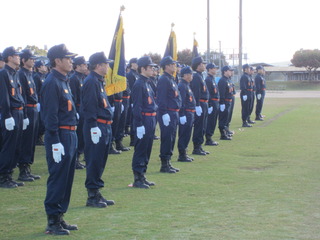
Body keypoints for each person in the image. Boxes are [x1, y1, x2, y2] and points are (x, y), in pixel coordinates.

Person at [41, 44, 78, 235]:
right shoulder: (52, 82)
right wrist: (54, 140)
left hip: (70, 133)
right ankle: (52, 220)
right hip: (60, 136)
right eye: (68, 58)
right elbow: (50, 115)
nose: (71, 61)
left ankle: (60, 215)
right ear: (57, 60)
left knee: (67, 177)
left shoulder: (64, 80)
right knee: (58, 177)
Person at [81, 52, 115, 208]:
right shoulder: (91, 82)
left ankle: (97, 191)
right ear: (99, 65)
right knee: (94, 160)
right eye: (106, 64)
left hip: (104, 125)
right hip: (97, 126)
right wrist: (93, 127)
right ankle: (92, 195)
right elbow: (89, 106)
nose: (108, 66)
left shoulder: (98, 81)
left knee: (101, 160)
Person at [0, 47, 25, 188]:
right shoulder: (3, 73)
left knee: (16, 145)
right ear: (9, 57)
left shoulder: (15, 73)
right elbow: (4, 97)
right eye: (16, 55)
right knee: (9, 145)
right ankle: (3, 176)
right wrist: (7, 115)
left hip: (19, 111)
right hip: (11, 113)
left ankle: (9, 174)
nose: (19, 58)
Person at [131, 56, 158, 188]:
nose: (152, 69)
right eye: (150, 67)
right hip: (144, 119)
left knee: (147, 148)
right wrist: (139, 124)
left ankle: (143, 175)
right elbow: (136, 106)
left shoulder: (147, 82)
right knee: (141, 148)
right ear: (143, 69)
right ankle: (138, 178)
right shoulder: (139, 84)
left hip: (151, 118)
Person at [17, 49, 41, 182]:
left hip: (34, 109)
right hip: (27, 110)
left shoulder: (30, 74)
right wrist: (25, 114)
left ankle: (27, 166)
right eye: (30, 58)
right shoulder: (21, 74)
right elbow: (24, 96)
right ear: (23, 60)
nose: (33, 60)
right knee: (26, 140)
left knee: (32, 139)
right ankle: (23, 169)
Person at [157, 56, 181, 173]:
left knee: (172, 138)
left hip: (174, 112)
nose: (174, 66)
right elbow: (161, 98)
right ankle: (164, 164)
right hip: (168, 113)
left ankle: (168, 161)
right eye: (172, 64)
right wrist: (164, 113)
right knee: (167, 138)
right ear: (166, 66)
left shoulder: (171, 79)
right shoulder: (163, 80)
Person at [69, 56, 88, 170]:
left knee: (82, 135)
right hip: (78, 109)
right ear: (78, 66)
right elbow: (74, 97)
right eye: (83, 65)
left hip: (84, 109)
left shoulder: (83, 77)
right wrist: (75, 111)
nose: (86, 66)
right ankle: (75, 158)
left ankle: (79, 156)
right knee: (79, 135)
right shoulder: (74, 78)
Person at [190, 56, 210, 155]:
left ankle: (200, 146)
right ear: (198, 65)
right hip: (200, 104)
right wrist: (197, 105)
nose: (204, 65)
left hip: (204, 103)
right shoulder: (196, 77)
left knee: (203, 126)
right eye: (203, 64)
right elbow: (196, 92)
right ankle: (196, 147)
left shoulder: (200, 75)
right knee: (199, 126)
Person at [177, 66, 196, 162]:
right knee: (184, 133)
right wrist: (182, 114)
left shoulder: (187, 84)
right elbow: (182, 102)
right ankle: (182, 154)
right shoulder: (182, 86)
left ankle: (184, 152)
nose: (191, 76)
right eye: (190, 74)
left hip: (190, 112)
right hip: (186, 113)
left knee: (187, 133)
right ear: (185, 75)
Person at [205, 63, 220, 146]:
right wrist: (210, 104)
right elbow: (208, 93)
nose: (215, 70)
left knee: (214, 120)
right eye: (214, 68)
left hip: (216, 102)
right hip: (212, 102)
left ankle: (210, 137)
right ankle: (208, 138)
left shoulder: (212, 79)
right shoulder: (208, 80)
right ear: (209, 69)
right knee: (210, 121)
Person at [218, 66, 234, 140]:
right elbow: (221, 93)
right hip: (225, 102)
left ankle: (226, 131)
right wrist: (222, 103)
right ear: (225, 71)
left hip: (229, 101)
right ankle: (223, 134)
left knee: (227, 118)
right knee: (223, 118)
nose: (230, 72)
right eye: (229, 70)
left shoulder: (228, 80)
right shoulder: (222, 80)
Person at [33, 60, 47, 145]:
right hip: (39, 101)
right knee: (40, 121)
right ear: (38, 67)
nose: (44, 67)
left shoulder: (43, 76)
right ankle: (37, 137)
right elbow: (36, 90)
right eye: (42, 65)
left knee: (42, 122)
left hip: (43, 101)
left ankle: (39, 137)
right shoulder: (36, 77)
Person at [126, 58, 139, 146]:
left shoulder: (136, 74)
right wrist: (132, 101)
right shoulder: (130, 74)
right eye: (136, 63)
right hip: (132, 100)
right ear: (132, 64)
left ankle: (136, 137)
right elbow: (131, 89)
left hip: (136, 100)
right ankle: (133, 139)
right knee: (133, 120)